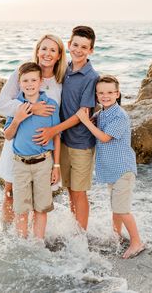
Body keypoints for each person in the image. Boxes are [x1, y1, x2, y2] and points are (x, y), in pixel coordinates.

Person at [0, 34, 67, 227]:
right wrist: (30, 109)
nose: (47, 53)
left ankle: (35, 242)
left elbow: (62, 116)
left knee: (39, 202)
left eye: (53, 50)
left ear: (59, 55)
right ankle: (8, 237)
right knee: (10, 194)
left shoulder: (61, 81)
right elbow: (1, 104)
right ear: (37, 51)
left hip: (43, 150)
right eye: (43, 48)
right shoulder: (22, 73)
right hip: (17, 143)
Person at [33, 26, 99, 230]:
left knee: (79, 192)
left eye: (84, 47)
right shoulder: (65, 70)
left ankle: (81, 236)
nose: (79, 50)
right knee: (69, 189)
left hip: (81, 143)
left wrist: (54, 130)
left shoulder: (91, 77)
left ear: (91, 50)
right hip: (63, 141)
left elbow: (82, 114)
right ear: (69, 45)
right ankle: (75, 230)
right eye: (76, 45)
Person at [76, 75, 145, 259]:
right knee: (116, 206)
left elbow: (104, 137)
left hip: (123, 170)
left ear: (117, 93)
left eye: (109, 92)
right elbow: (94, 122)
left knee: (122, 209)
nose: (105, 96)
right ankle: (116, 234)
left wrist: (84, 121)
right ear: (96, 95)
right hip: (112, 170)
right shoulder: (102, 112)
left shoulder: (120, 116)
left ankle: (137, 242)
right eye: (101, 93)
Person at [4, 62, 61, 239]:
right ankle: (23, 244)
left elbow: (57, 136)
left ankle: (38, 244)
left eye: (33, 80)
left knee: (41, 208)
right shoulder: (15, 106)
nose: (29, 84)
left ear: (41, 81)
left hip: (44, 163)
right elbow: (7, 135)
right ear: (19, 83)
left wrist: (56, 165)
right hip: (20, 164)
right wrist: (17, 118)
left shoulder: (50, 105)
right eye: (25, 80)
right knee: (21, 209)